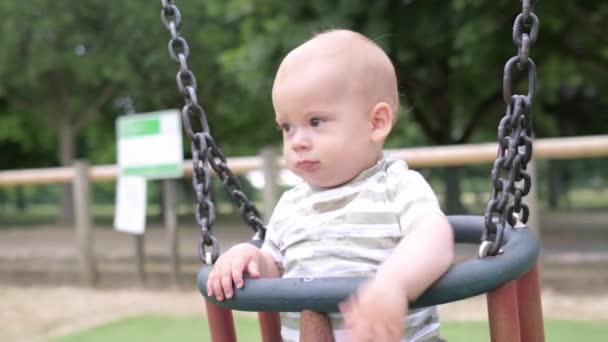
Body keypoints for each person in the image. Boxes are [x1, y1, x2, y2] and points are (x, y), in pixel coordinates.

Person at [206, 29, 454, 342]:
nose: (297, 141)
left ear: (376, 123)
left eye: (315, 122)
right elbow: (276, 267)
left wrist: (393, 284)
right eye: (286, 127)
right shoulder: (292, 205)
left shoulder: (397, 186)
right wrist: (248, 258)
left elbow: (434, 239)